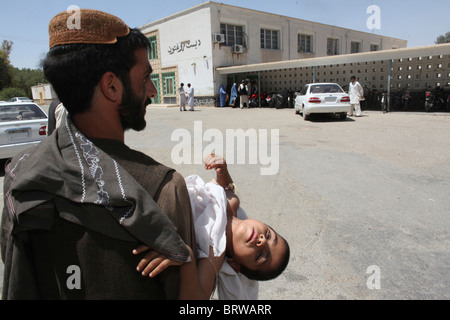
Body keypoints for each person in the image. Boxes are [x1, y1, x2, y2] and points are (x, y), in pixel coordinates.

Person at [1, 9, 197, 300]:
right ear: (112, 86)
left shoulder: (21, 170)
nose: (153, 91)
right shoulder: (164, 188)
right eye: (145, 78)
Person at [133, 154, 290, 300]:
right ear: (254, 220)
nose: (262, 242)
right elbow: (225, 189)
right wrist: (223, 171)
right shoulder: (233, 205)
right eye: (269, 236)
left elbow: (197, 298)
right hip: (155, 185)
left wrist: (185, 256)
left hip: (147, 210)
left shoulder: (215, 250)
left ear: (235, 265)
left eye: (260, 256)